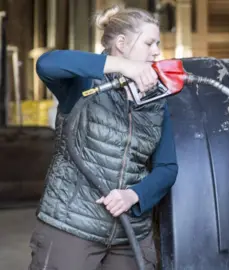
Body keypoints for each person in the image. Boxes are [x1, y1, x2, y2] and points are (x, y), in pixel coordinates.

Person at [28, 5, 178, 270]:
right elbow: (47, 64)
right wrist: (124, 67)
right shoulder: (84, 85)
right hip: (72, 228)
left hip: (129, 234)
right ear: (121, 43)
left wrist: (135, 195)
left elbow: (167, 168)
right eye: (149, 43)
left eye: (158, 43)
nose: (156, 51)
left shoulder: (157, 101)